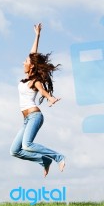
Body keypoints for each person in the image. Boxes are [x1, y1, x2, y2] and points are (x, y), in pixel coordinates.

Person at [10, 23, 65, 177]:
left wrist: (50, 98)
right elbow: (32, 54)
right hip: (26, 119)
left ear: (31, 66)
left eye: (25, 62)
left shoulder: (35, 81)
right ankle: (44, 161)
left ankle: (58, 157)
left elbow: (42, 91)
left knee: (27, 145)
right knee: (15, 150)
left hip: (35, 116)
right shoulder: (27, 77)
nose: (23, 63)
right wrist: (37, 35)